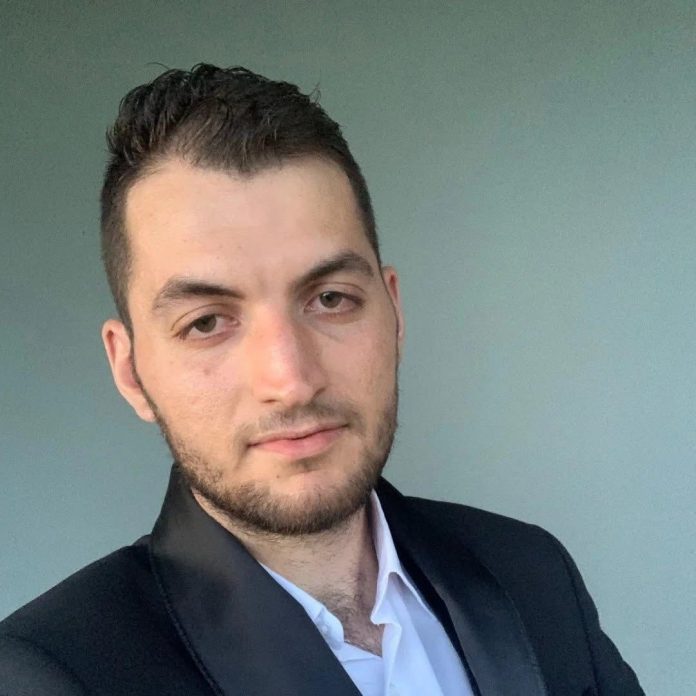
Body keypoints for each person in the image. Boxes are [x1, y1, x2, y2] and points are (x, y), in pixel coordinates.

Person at [0, 64, 644, 696]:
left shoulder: (531, 571)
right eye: (206, 323)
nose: (291, 380)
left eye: (330, 299)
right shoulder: (51, 674)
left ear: (393, 312)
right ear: (131, 370)